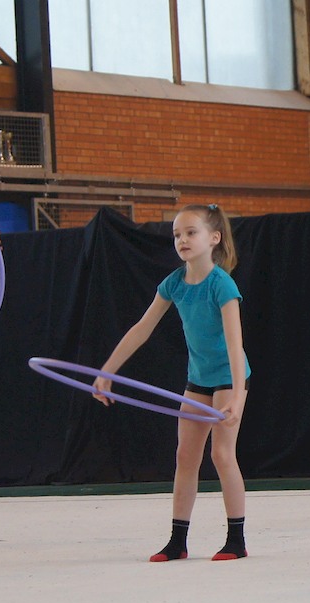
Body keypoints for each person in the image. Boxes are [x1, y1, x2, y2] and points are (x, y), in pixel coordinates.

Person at [93, 203, 250, 562]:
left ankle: (236, 540)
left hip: (229, 377)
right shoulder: (174, 283)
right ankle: (178, 541)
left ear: (214, 238)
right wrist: (107, 372)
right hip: (199, 377)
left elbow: (234, 343)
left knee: (222, 454)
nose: (182, 240)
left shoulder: (222, 285)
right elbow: (141, 329)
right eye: (177, 234)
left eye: (191, 233)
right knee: (185, 456)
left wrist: (238, 397)